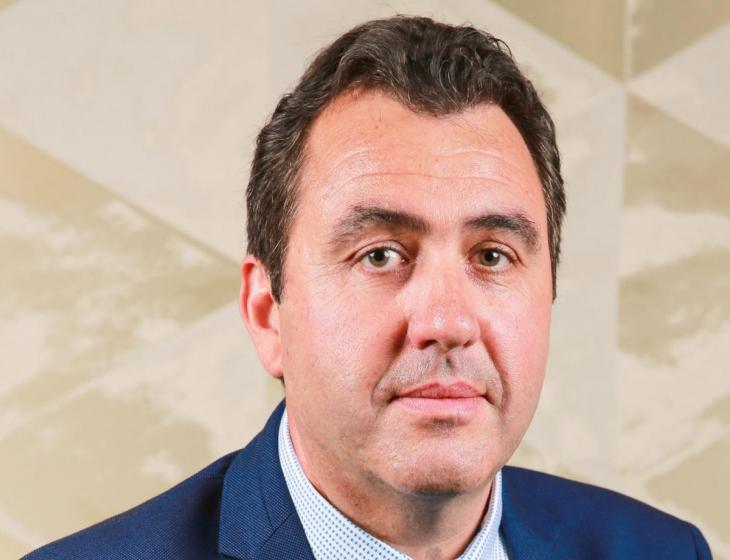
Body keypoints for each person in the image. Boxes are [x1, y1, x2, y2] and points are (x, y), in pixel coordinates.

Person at [24, 15, 712, 560]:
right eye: (381, 255)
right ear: (267, 313)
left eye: (493, 256)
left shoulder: (661, 552)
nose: (448, 322)